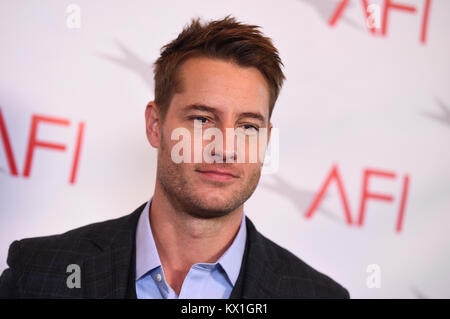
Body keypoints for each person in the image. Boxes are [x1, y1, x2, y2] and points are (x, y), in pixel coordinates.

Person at [0, 16, 350, 299]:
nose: (225, 147)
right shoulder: (39, 273)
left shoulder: (317, 295)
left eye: (247, 127)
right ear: (155, 125)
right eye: (202, 120)